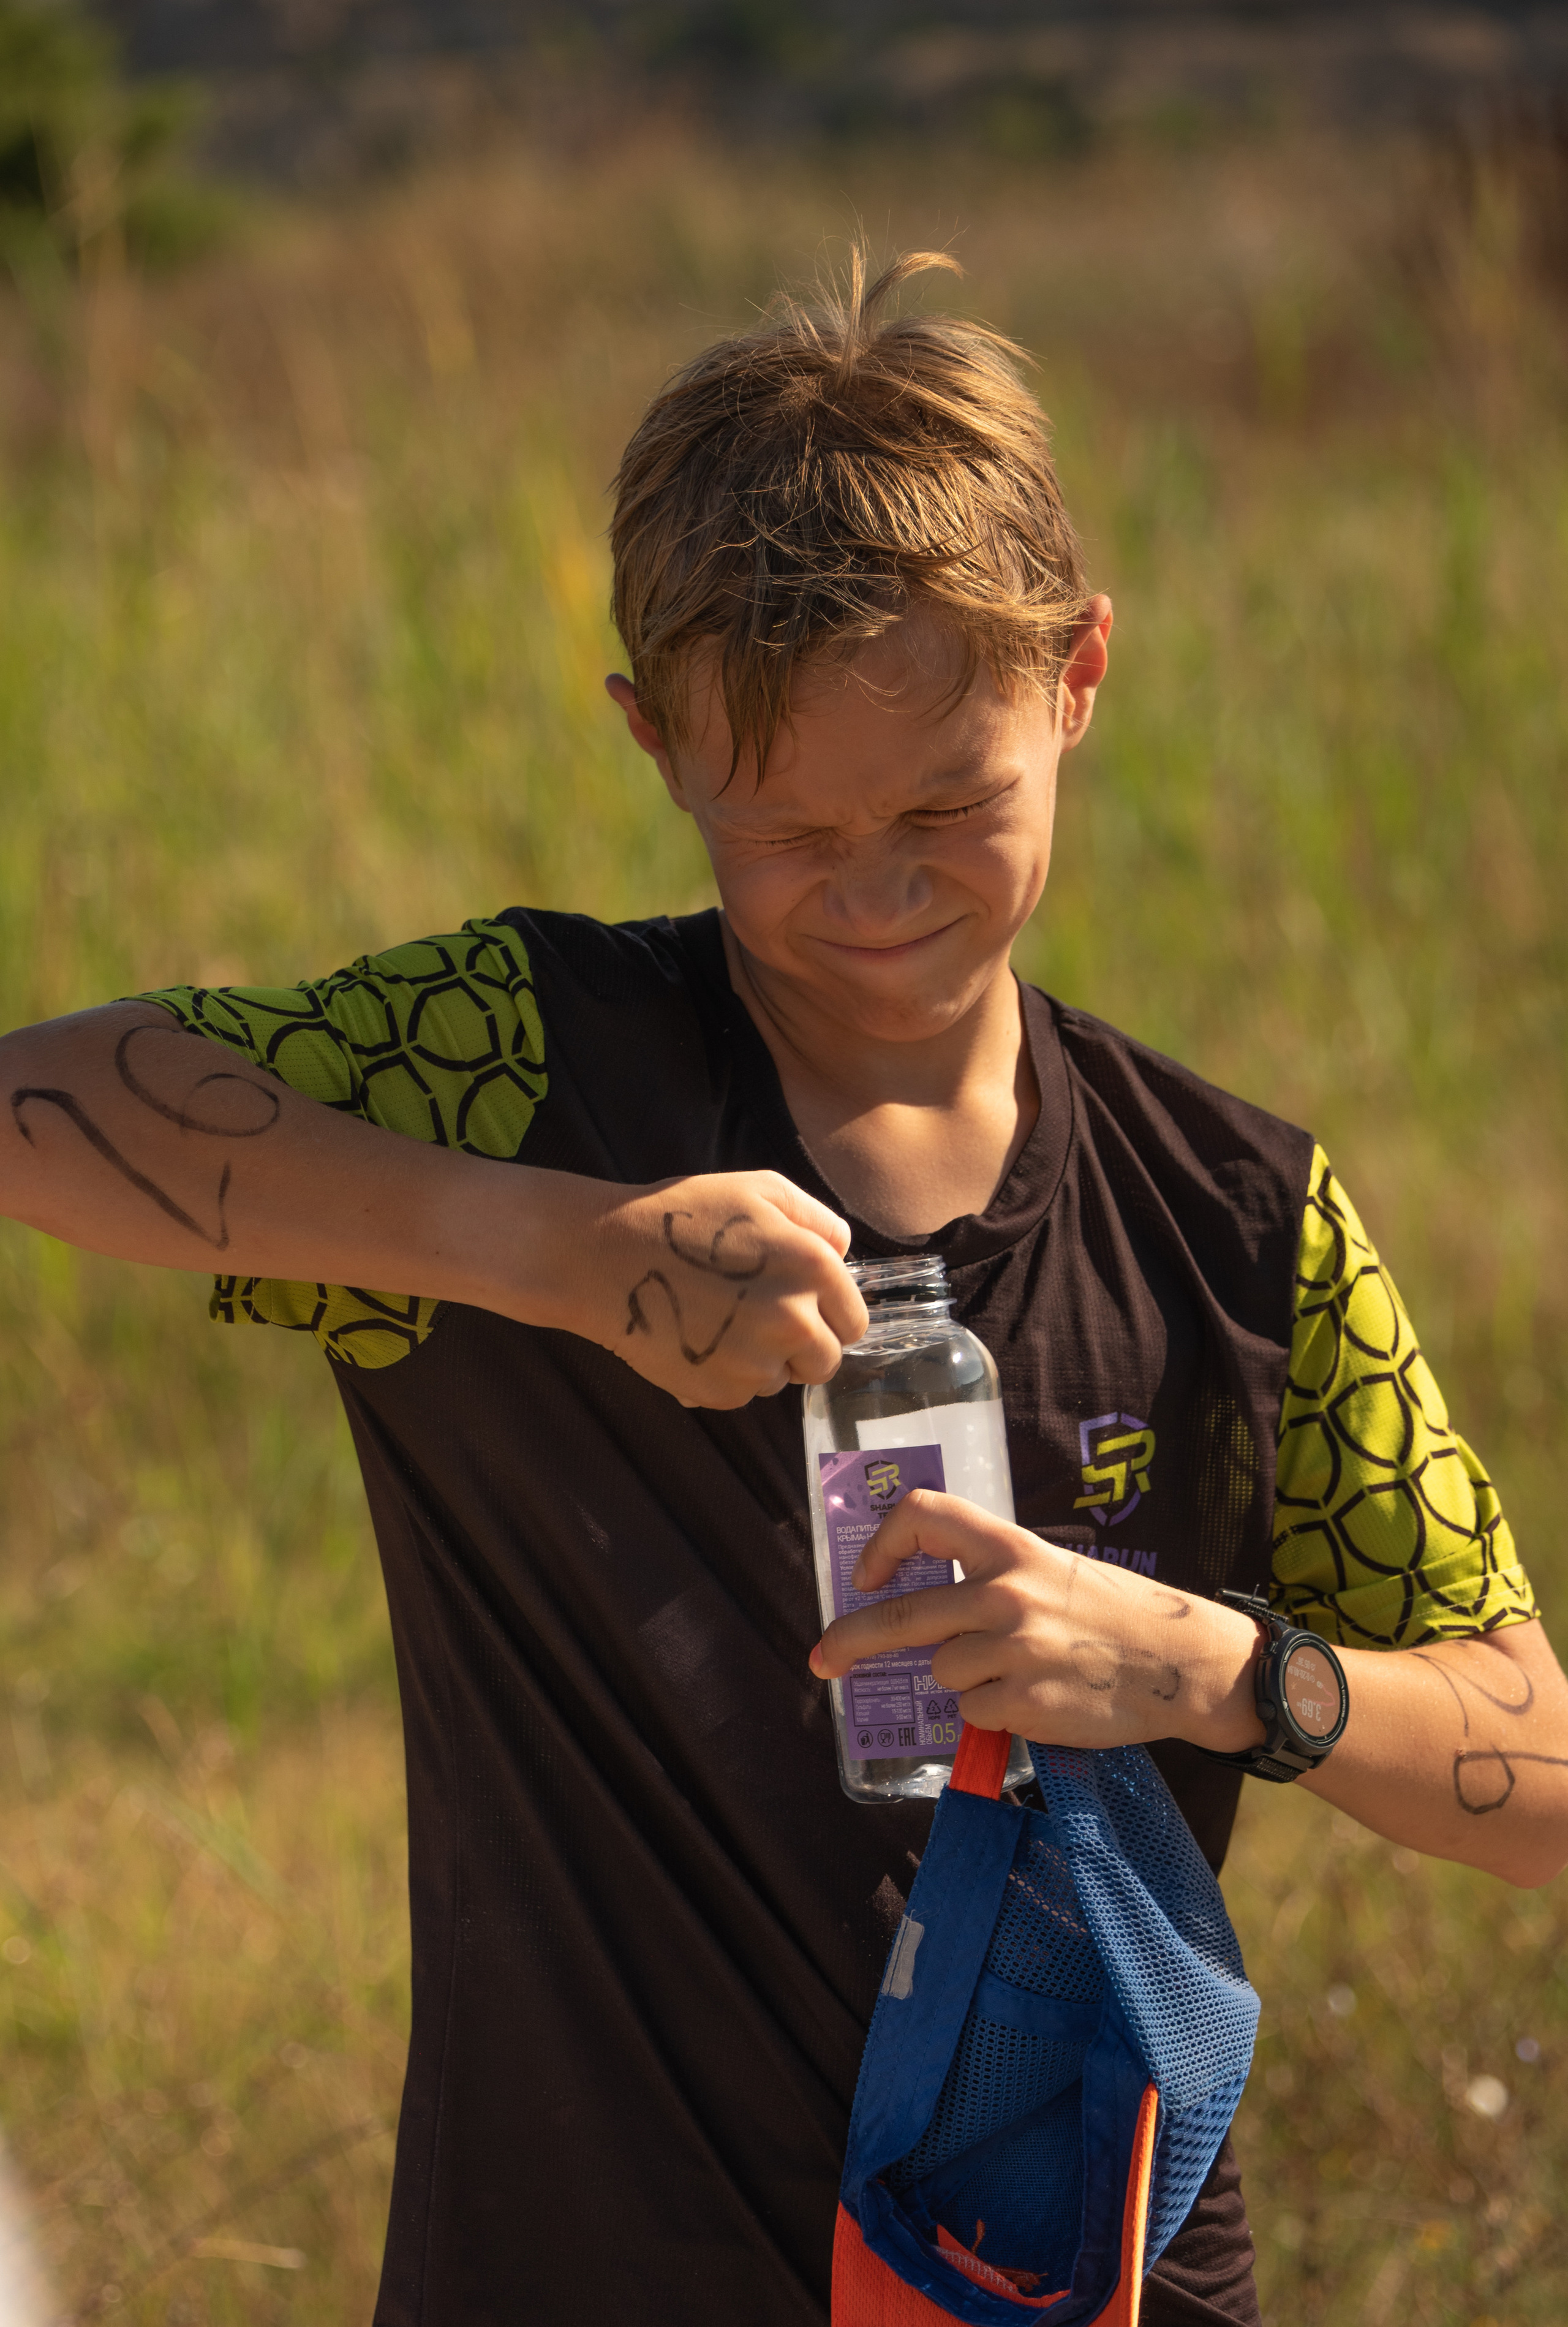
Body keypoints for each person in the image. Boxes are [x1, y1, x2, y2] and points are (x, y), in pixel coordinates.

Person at [1, 250, 1564, 2327]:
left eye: (949, 806)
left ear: (1082, 676)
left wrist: (1206, 1669)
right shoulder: (529, 1059)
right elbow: (44, 1105)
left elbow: (1537, 1772)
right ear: (654, 742)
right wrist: (549, 1246)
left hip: (1076, 2278)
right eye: (789, 828)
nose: (881, 885)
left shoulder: (1244, 1217)